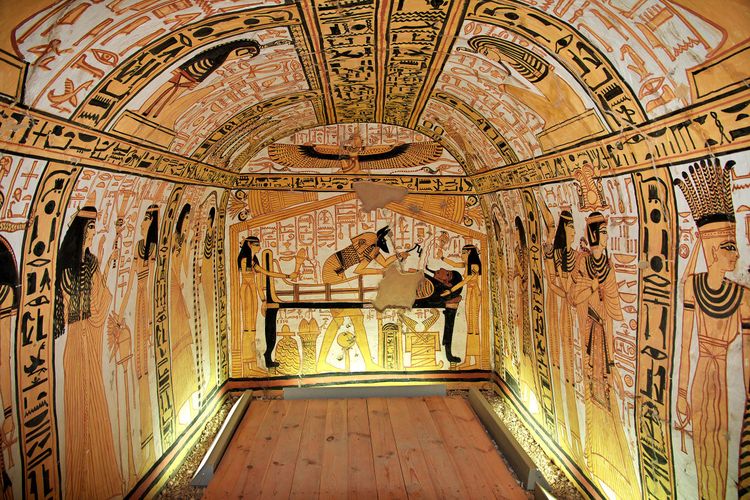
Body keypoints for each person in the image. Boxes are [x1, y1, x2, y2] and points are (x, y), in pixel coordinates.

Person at [674, 158, 750, 498]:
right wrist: (681, 393)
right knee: (703, 446)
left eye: (734, 247)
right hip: (702, 377)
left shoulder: (743, 297)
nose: (736, 256)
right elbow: (684, 346)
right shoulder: (694, 287)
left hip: (723, 382)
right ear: (712, 251)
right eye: (728, 248)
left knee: (723, 448)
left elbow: (746, 358)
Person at [53, 206, 123, 498]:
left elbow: (99, 299)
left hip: (88, 340)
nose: (94, 233)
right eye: (91, 228)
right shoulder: (65, 267)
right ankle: (78, 486)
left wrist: (108, 262)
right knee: (75, 407)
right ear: (81, 230)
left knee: (94, 403)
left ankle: (100, 481)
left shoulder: (92, 263)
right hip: (74, 342)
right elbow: (68, 306)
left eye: (95, 228)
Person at [570, 212, 639, 498]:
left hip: (602, 336)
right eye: (603, 232)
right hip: (590, 331)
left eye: (607, 232)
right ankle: (593, 451)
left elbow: (612, 307)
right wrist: (591, 286)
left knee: (605, 392)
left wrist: (612, 357)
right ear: (593, 234)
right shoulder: (583, 262)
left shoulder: (607, 267)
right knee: (592, 389)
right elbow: (574, 295)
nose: (606, 237)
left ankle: (609, 460)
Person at [237, 236, 297, 369]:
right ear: (250, 245)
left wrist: (263, 300)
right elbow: (248, 280)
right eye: (257, 245)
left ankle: (252, 361)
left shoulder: (253, 261)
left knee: (252, 324)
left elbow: (266, 274)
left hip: (253, 291)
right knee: (248, 324)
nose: (259, 247)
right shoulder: (245, 260)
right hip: (247, 291)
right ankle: (247, 361)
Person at [169, 204, 198, 421]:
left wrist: (190, 244)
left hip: (178, 290)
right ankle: (179, 403)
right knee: (178, 344)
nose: (188, 222)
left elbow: (186, 269)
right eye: (187, 218)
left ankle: (187, 395)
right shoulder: (172, 240)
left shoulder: (183, 241)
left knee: (185, 344)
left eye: (190, 219)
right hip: (171, 290)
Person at [440, 244, 482, 368]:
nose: (461, 255)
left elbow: (465, 281)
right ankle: (468, 361)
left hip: (475, 294)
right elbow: (454, 264)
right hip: (470, 293)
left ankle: (477, 362)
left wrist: (450, 291)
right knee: (470, 327)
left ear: (469, 253)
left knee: (474, 327)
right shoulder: (467, 265)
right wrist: (442, 257)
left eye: (463, 253)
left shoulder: (475, 266)